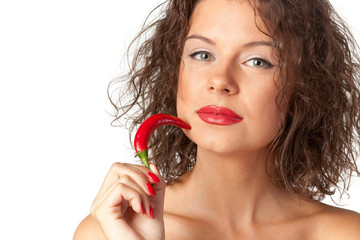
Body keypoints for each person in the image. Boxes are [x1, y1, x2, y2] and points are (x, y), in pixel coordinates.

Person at [74, 0, 360, 239]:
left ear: (306, 86)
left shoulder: (345, 234)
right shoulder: (110, 231)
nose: (220, 81)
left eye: (258, 61)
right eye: (202, 54)